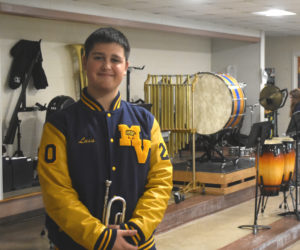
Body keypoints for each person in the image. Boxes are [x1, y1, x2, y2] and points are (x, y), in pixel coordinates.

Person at [38, 27, 173, 250]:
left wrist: (138, 229)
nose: (107, 66)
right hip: (77, 244)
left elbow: (161, 180)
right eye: (98, 57)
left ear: (125, 67)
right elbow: (57, 192)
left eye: (115, 59)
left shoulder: (146, 121)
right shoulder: (59, 125)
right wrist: (99, 237)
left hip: (136, 242)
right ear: (84, 62)